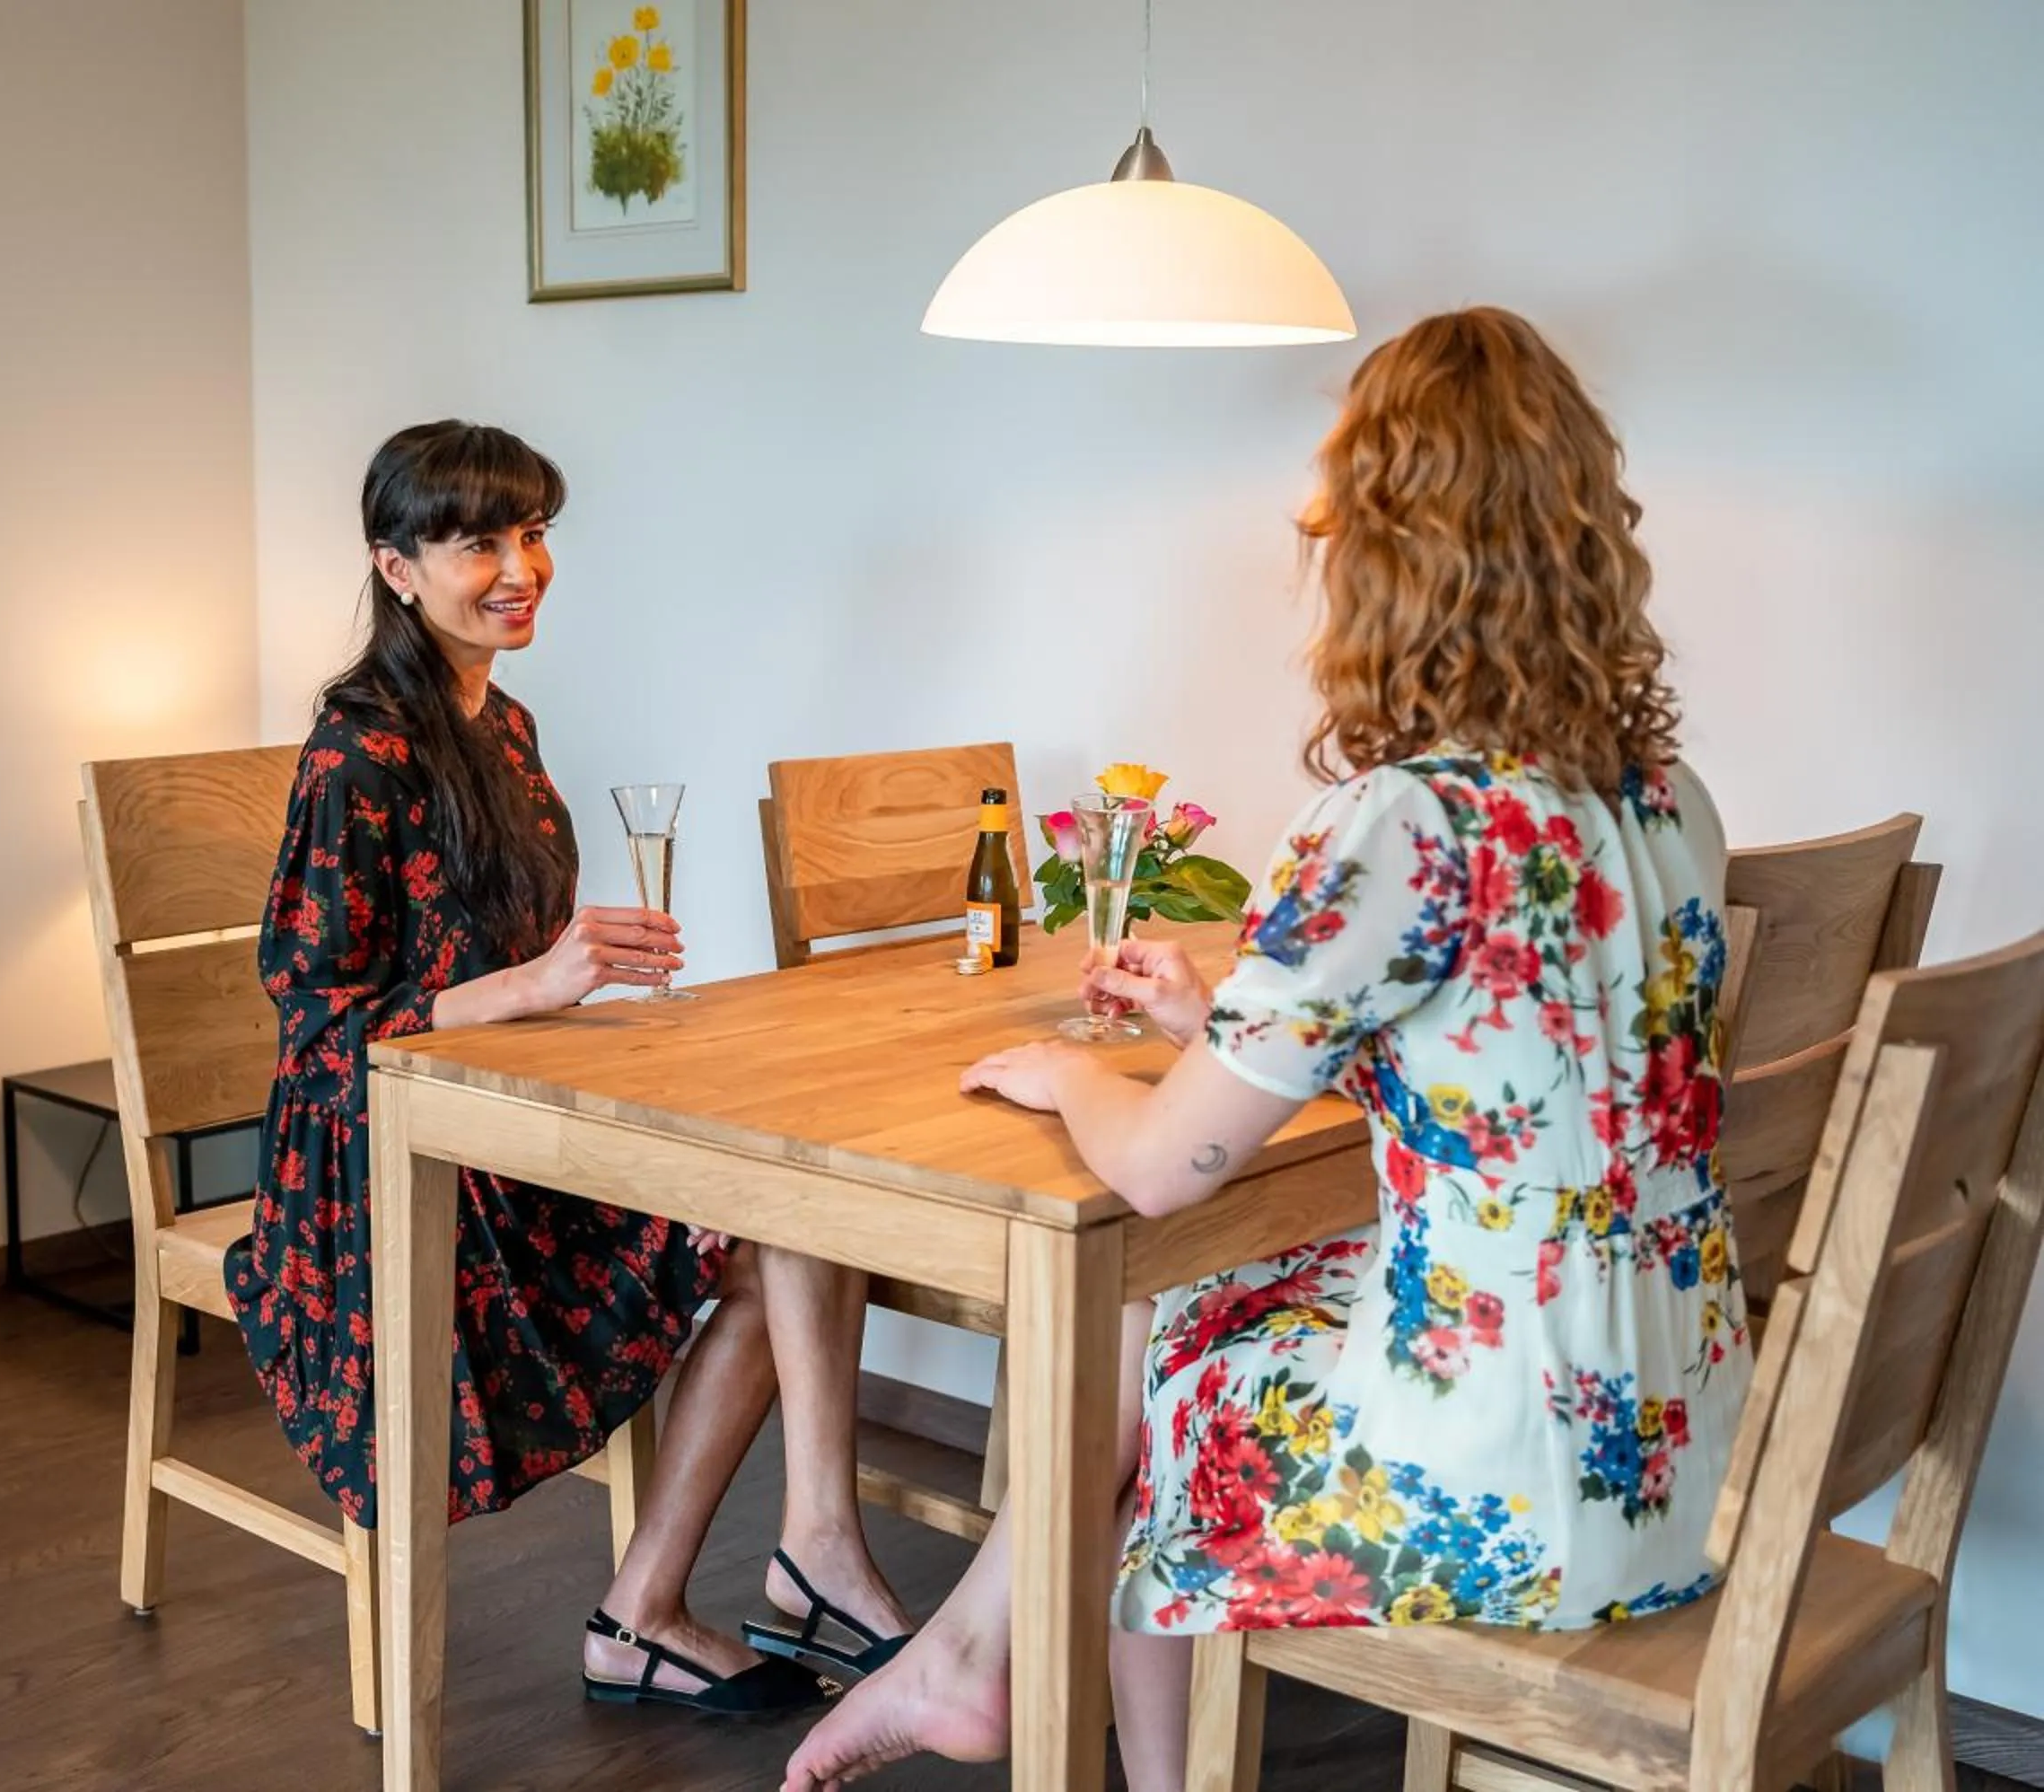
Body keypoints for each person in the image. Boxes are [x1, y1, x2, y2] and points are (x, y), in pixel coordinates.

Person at [785, 307, 1750, 1789]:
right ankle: (973, 1662)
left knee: (1181, 1353)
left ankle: (1013, 1687)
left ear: (1388, 556)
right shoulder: (1661, 795)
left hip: (1518, 1485)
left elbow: (1170, 1171)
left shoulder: (1405, 818)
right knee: (1204, 1315)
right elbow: (1517, 1073)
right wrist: (1218, 1022)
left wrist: (1077, 1076)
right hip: (1685, 1439)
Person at [229, 420, 912, 1714]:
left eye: (533, 534)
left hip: (508, 1114)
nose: (519, 567)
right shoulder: (357, 750)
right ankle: (762, 1574)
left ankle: (713, 1588)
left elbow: (501, 956)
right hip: (387, 1163)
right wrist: (539, 984)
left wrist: (581, 973)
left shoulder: (508, 722)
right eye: (477, 542)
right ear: (397, 568)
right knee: (783, 1240)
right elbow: (317, 1023)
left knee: (799, 1224)